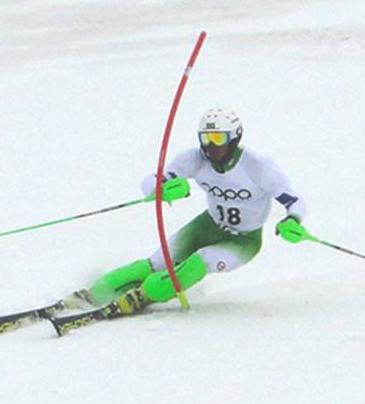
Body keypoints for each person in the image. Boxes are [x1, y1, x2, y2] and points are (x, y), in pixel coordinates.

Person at [65, 107, 310, 318]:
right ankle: (95, 292)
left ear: (234, 138)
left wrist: (293, 220)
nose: (210, 146)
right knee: (158, 262)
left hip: (243, 240)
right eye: (206, 138)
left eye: (217, 139)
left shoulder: (258, 166)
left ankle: (143, 296)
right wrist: (162, 189)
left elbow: (294, 200)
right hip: (208, 226)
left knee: (202, 260)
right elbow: (150, 181)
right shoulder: (194, 158)